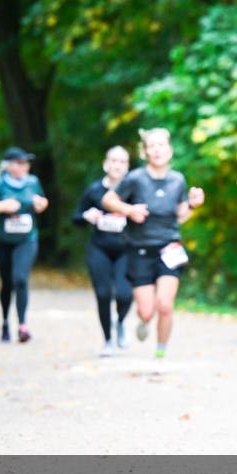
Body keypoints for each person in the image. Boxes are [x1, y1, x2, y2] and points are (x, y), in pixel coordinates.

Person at [101, 128, 204, 359]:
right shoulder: (136, 178)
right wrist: (129, 209)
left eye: (161, 145)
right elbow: (108, 199)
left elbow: (180, 215)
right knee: (146, 311)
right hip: (139, 249)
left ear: (169, 150)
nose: (157, 150)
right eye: (152, 146)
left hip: (169, 248)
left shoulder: (177, 180)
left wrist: (193, 204)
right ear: (145, 152)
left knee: (165, 305)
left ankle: (161, 353)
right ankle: (144, 320)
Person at [0, 147, 50, 343]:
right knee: (7, 283)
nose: (25, 166)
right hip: (1, 242)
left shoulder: (33, 182)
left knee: (20, 279)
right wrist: (3, 206)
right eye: (20, 162)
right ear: (8, 165)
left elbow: (41, 202)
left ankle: (23, 325)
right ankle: (5, 322)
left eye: (26, 162)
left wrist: (41, 204)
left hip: (26, 240)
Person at [73, 146, 134, 357]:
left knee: (125, 295)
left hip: (126, 249)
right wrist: (86, 217)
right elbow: (76, 218)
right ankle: (108, 340)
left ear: (127, 167)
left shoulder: (133, 190)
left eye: (122, 161)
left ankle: (121, 321)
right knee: (103, 294)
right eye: (113, 160)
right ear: (106, 164)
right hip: (99, 248)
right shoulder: (94, 190)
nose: (117, 165)